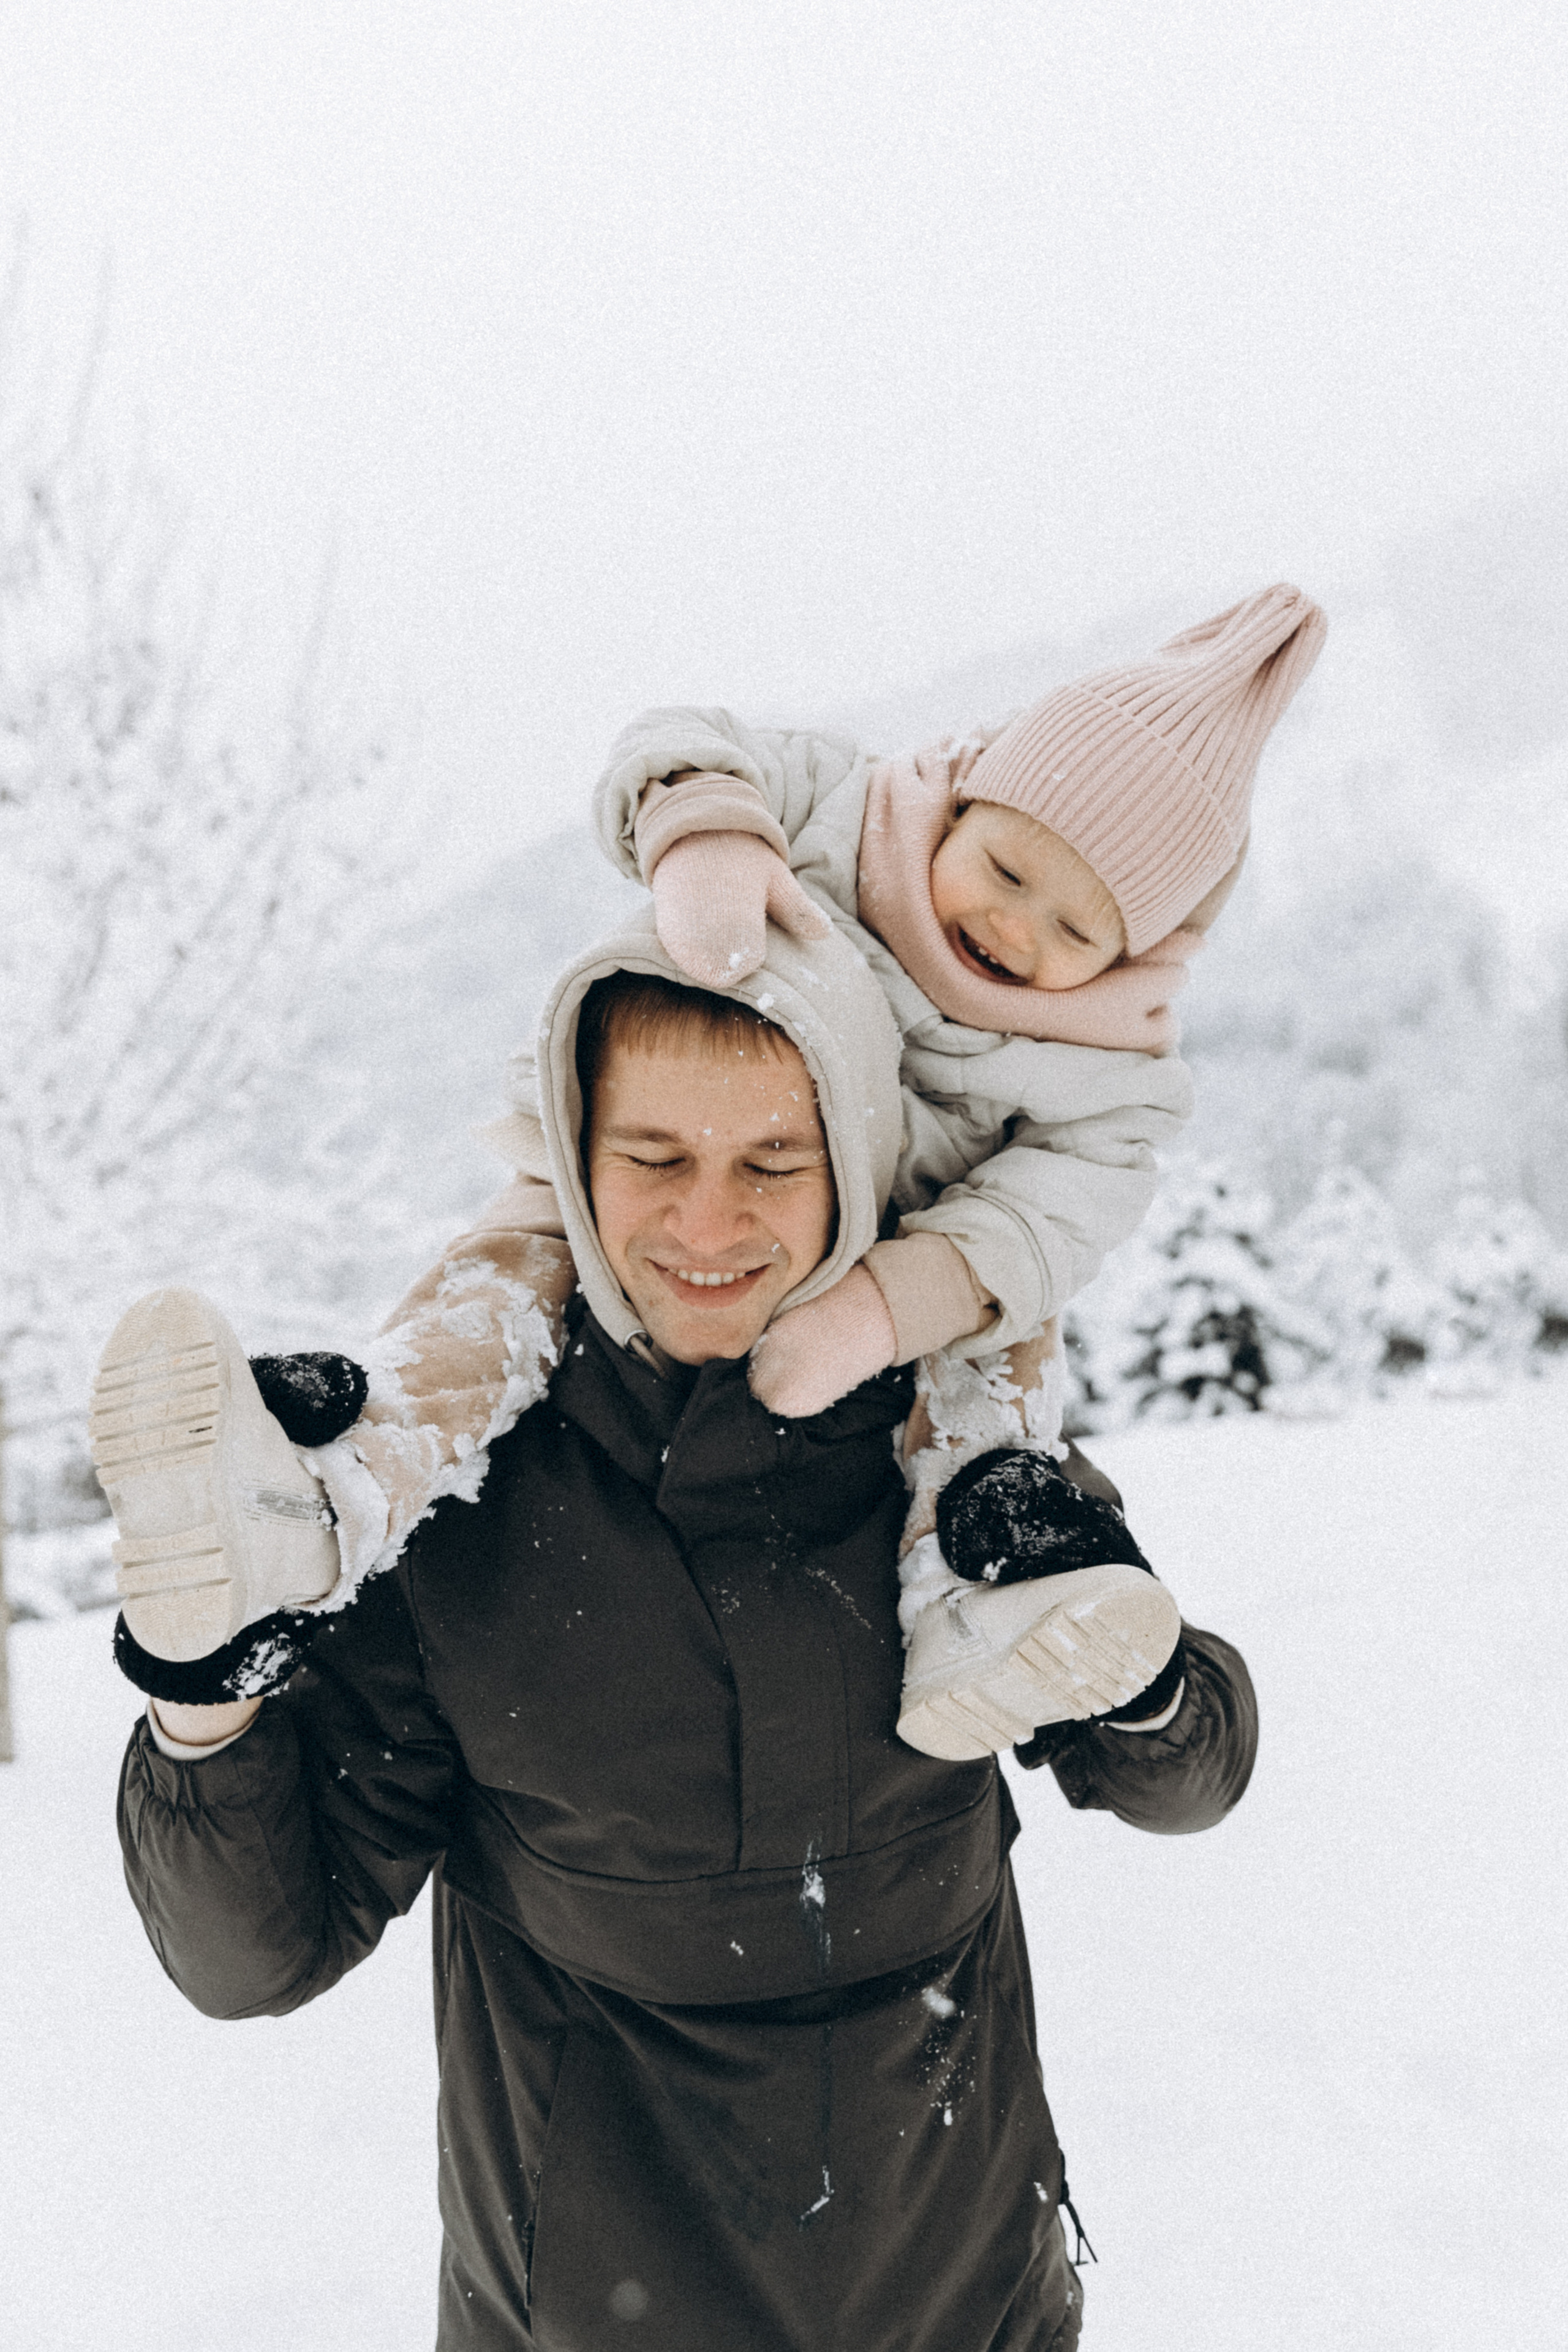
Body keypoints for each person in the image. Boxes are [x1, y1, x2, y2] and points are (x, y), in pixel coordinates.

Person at [112, 914, 1257, 2351]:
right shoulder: (467, 1505)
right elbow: (254, 1957)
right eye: (654, 1158)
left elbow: (1189, 1777)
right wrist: (204, 1698)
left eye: (771, 1163)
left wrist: (1137, 1667)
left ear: (850, 1164)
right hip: (600, 2313)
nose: (707, 1227)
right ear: (572, 1168)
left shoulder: (939, 1446)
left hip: (971, 2300)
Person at [96, 584, 1321, 1754]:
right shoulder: (852, 807)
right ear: (959, 805)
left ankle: (981, 1592)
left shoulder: (1106, 1063)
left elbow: (1067, 1205)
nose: (1013, 929)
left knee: (999, 1360)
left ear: (1132, 955)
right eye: (1005, 873)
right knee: (505, 1289)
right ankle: (331, 1490)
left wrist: (891, 1305)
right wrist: (708, 842)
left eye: (1073, 931)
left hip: (913, 1270)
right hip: (663, 1160)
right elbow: (680, 740)